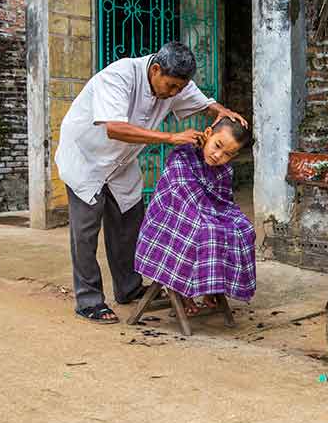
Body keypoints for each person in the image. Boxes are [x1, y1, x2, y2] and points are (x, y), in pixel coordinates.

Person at [55, 41, 247, 324]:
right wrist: (171, 137)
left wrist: (223, 112)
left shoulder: (176, 83)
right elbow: (114, 128)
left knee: (128, 225)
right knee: (85, 232)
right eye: (170, 87)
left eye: (179, 89)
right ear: (155, 69)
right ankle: (89, 300)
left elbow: (206, 105)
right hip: (86, 159)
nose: (174, 94)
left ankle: (129, 288)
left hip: (121, 165)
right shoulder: (120, 76)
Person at [134, 118, 256, 314]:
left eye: (228, 154)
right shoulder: (181, 157)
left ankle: (214, 287)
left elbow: (224, 201)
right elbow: (182, 197)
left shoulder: (225, 170)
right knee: (206, 232)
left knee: (243, 229)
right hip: (170, 217)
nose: (218, 156)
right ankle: (183, 292)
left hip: (205, 213)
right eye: (217, 146)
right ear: (208, 133)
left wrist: (220, 218)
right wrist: (210, 218)